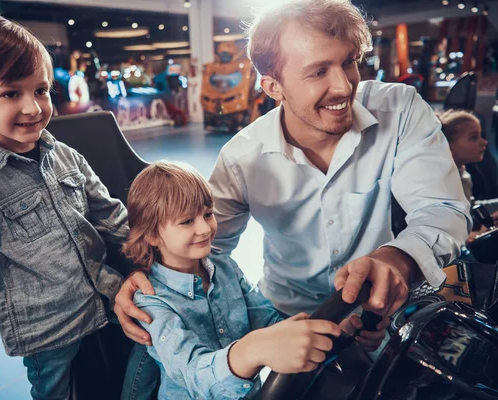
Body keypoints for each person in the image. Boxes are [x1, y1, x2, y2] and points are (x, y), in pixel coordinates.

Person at [114, 0, 470, 349]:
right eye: (318, 72)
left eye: (349, 62)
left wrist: (399, 258)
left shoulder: (401, 109)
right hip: (284, 319)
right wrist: (148, 281)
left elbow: (442, 209)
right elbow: (203, 247)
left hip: (378, 312)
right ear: (273, 87)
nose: (345, 87)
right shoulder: (242, 157)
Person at [0, 15, 129, 400]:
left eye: (41, 90)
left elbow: (106, 211)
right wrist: (7, 287)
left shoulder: (64, 155)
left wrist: (147, 251)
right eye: (11, 94)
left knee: (114, 376)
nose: (33, 107)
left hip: (104, 297)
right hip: (46, 331)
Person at [120, 161, 388, 399]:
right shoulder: (150, 302)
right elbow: (193, 373)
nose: (204, 229)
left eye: (208, 214)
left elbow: (268, 320)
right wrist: (250, 351)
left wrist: (333, 331)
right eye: (187, 221)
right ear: (152, 236)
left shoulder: (224, 266)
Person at [437, 109, 498, 239]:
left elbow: (470, 206)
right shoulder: (441, 182)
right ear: (449, 148)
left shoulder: (462, 173)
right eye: (474, 137)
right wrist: (477, 235)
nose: (484, 142)